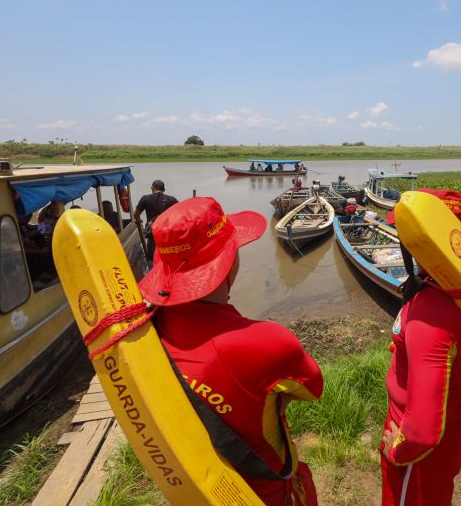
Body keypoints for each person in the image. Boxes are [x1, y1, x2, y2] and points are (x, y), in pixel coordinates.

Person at [138, 197, 323, 505]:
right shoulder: (267, 342)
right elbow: (313, 388)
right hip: (265, 495)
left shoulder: (148, 327)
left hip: (193, 492)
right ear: (228, 260)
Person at [380, 188, 461, 506]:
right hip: (450, 419)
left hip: (417, 448)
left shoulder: (431, 315)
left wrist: (397, 450)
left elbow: (423, 432)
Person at [133, 179, 178, 265]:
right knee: (166, 253)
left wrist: (138, 220)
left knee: (152, 255)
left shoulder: (145, 198)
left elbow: (136, 214)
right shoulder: (172, 200)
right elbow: (179, 213)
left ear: (152, 188)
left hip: (152, 232)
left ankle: (153, 269)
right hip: (166, 232)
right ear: (164, 189)